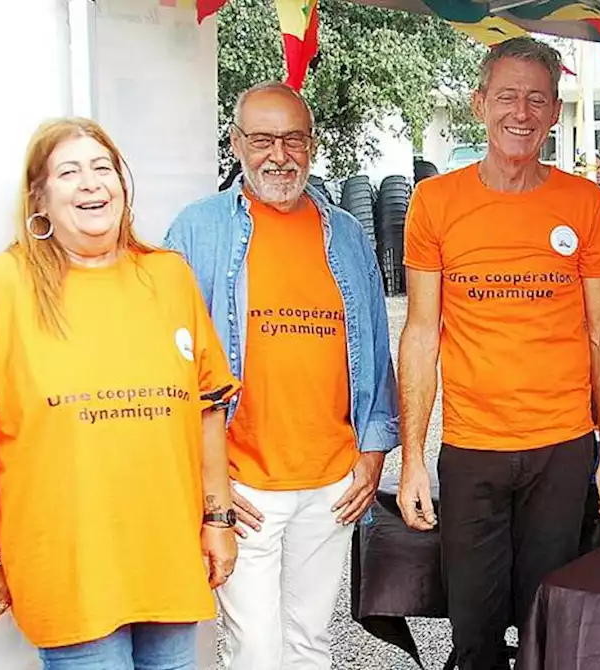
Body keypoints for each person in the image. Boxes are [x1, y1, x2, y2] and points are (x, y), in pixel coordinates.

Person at [396, 37, 600, 670]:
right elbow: (421, 333)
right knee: (473, 637)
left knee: (549, 629)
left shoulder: (584, 203)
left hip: (562, 448)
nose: (520, 113)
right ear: (479, 104)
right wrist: (413, 460)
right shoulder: (434, 202)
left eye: (536, 99)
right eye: (507, 96)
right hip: (472, 449)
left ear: (556, 111)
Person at [0, 117, 240, 667]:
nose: (91, 183)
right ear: (39, 198)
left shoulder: (167, 277)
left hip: (166, 554)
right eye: (69, 172)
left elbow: (208, 408)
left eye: (103, 168)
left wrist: (218, 521)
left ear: (122, 183)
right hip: (69, 566)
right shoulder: (4, 286)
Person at [165, 82, 398, 669]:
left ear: (312, 145)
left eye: (293, 139)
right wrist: (206, 484)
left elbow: (374, 346)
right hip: (245, 484)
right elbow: (172, 366)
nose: (279, 154)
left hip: (331, 483)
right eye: (263, 139)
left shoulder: (345, 232)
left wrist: (372, 454)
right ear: (238, 144)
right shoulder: (199, 231)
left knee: (309, 644)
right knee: (255, 649)